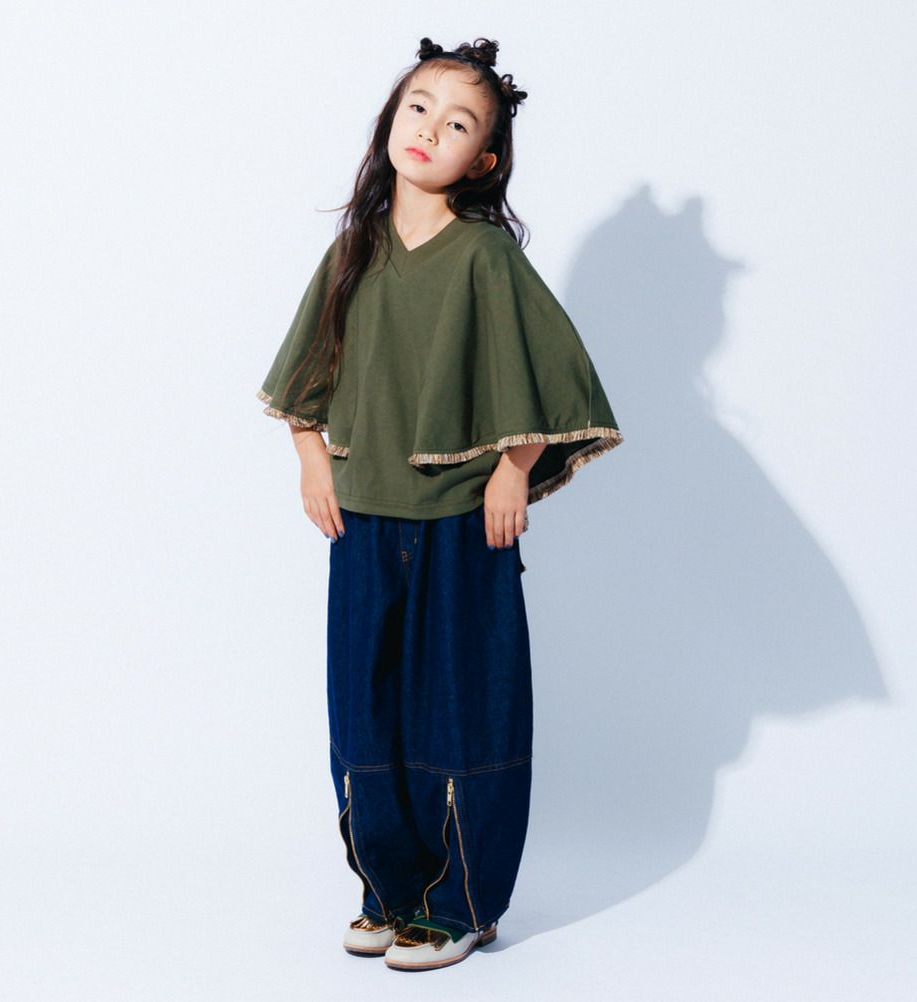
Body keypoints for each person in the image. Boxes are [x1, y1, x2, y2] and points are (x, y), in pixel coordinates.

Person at [256, 36, 624, 972]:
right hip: (362, 519)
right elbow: (305, 376)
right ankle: (387, 892)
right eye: (418, 107)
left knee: (463, 710)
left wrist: (512, 470)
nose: (429, 129)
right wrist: (312, 461)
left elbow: (542, 373)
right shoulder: (354, 251)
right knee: (365, 711)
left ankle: (458, 905)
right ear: (391, 119)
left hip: (460, 523)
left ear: (483, 159)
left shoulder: (485, 257)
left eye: (457, 123)